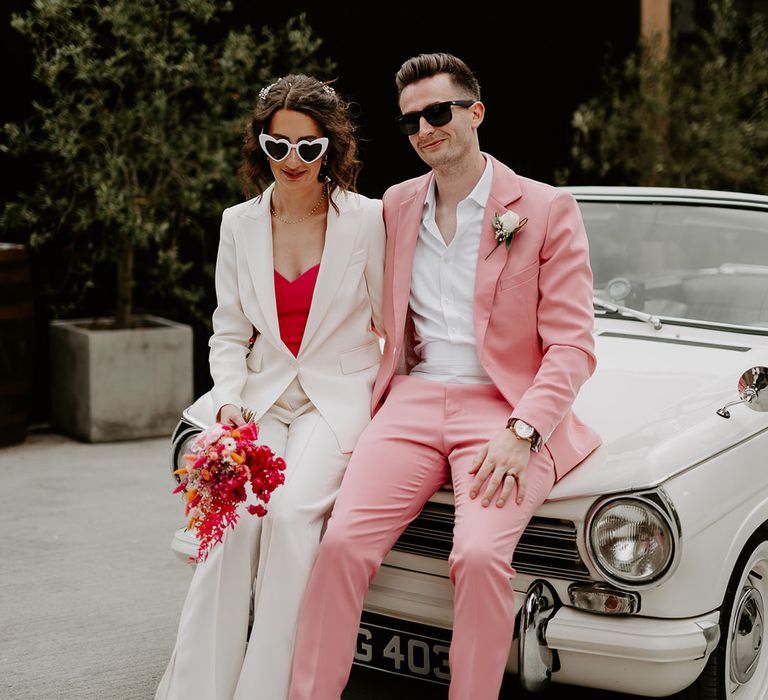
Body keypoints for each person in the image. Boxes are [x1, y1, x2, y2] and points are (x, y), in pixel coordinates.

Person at [288, 53, 601, 700]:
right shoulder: (396, 205)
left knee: (480, 558)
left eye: (438, 112)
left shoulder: (544, 208)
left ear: (475, 113)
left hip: (503, 407)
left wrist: (524, 430)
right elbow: (306, 231)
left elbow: (572, 347)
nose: (426, 129)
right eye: (411, 122)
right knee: (341, 545)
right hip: (411, 399)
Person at [155, 74, 385, 700]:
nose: (291, 160)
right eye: (277, 144)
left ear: (329, 148)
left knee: (286, 520)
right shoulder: (238, 224)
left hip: (335, 402)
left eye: (307, 148)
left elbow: (391, 324)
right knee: (231, 526)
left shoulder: (367, 219)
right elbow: (227, 332)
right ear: (260, 144)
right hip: (258, 402)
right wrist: (228, 398)